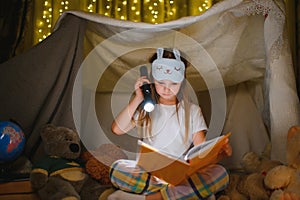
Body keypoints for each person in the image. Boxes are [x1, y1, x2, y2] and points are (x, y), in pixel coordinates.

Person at [108, 48, 232, 200]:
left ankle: (153, 198)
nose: (167, 89)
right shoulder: (147, 108)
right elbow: (117, 129)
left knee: (220, 174)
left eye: (173, 83)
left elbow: (202, 154)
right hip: (150, 174)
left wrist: (219, 153)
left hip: (180, 177)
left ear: (182, 83)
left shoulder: (193, 111)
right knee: (117, 168)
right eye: (161, 83)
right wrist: (138, 98)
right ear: (153, 81)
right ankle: (181, 195)